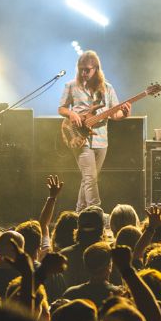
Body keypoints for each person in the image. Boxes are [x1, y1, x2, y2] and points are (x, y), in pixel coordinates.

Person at [59, 49, 118, 213]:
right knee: (90, 178)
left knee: (88, 179)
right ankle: (96, 213)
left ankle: (79, 213)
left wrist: (124, 113)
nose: (83, 73)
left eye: (87, 69)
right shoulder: (71, 86)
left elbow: (116, 113)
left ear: (96, 69)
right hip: (79, 137)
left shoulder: (107, 88)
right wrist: (71, 114)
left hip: (101, 139)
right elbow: (61, 108)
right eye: (80, 69)